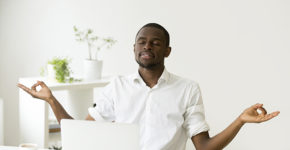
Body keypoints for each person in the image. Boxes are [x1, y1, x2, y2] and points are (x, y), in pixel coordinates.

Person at [18, 23, 280, 150]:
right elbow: (80, 135)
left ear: (167, 51)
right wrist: (52, 100)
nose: (147, 46)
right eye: (141, 41)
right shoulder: (117, 86)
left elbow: (204, 147)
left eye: (155, 43)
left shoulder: (187, 88)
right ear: (134, 48)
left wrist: (240, 121)